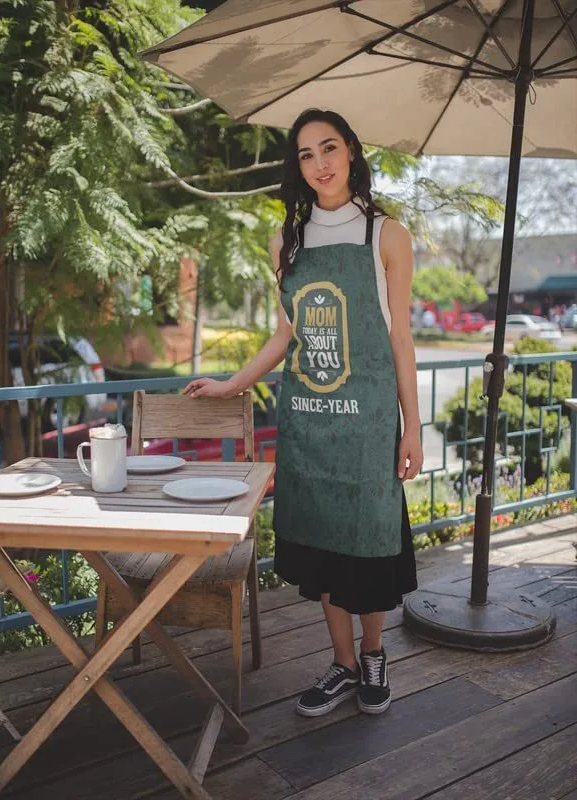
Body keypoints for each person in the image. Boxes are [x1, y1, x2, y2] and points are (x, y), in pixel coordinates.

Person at [184, 108, 422, 719]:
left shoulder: (386, 236)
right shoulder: (285, 242)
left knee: (367, 547)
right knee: (321, 547)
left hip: (369, 425)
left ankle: (373, 655)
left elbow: (400, 339)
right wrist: (231, 384)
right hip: (310, 423)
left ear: (351, 153)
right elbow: (284, 336)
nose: (320, 163)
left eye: (330, 148)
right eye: (307, 154)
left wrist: (412, 426)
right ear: (298, 166)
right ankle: (342, 664)